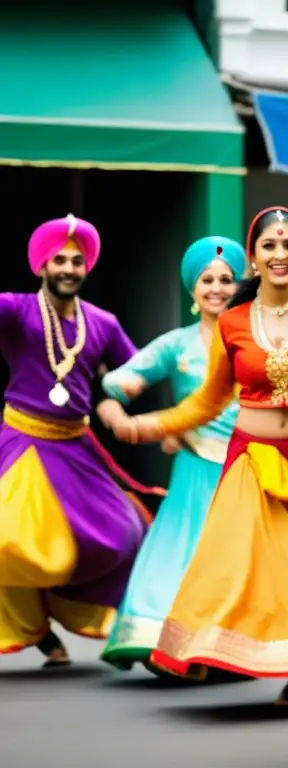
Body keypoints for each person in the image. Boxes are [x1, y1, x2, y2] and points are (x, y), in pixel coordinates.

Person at [109, 207, 288, 705]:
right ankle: (243, 657)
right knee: (247, 564)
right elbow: (208, 401)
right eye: (270, 246)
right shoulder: (235, 323)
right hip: (250, 459)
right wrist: (145, 426)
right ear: (255, 258)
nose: (280, 254)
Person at [0, 214, 154, 665]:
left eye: (76, 260)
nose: (68, 268)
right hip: (22, 442)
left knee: (126, 533)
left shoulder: (102, 323)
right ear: (41, 267)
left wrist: (119, 396)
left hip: (76, 446)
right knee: (11, 536)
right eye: (59, 260)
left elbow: (137, 372)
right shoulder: (15, 309)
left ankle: (130, 629)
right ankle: (38, 632)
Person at [99, 237, 246, 672]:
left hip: (245, 466)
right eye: (207, 280)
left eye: (226, 280)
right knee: (182, 552)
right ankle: (172, 642)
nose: (217, 288)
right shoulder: (176, 344)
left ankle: (222, 649)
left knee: (234, 558)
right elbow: (124, 378)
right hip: (195, 467)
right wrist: (116, 401)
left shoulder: (253, 340)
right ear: (192, 288)